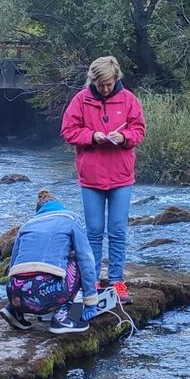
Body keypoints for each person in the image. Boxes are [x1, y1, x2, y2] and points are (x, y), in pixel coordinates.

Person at [60, 56, 146, 304]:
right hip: (91, 177)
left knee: (118, 230)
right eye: (101, 85)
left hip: (121, 176)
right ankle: (92, 282)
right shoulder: (81, 100)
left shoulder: (129, 99)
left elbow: (139, 130)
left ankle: (117, 281)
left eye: (109, 84)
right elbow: (68, 130)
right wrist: (92, 136)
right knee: (94, 231)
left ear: (116, 78)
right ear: (93, 81)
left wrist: (125, 137)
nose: (106, 89)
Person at [2, 189, 100, 334]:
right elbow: (86, 260)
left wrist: (14, 298)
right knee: (77, 259)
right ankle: (61, 318)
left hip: (14, 293)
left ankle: (14, 311)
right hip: (46, 295)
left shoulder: (26, 225)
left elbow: (13, 265)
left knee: (23, 268)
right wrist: (90, 301)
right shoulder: (71, 219)